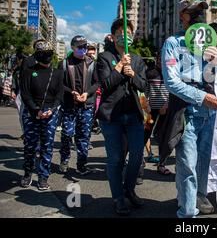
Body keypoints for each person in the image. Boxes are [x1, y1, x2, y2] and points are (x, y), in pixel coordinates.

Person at [161, 0, 217, 218]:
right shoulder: (172, 43)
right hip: (186, 110)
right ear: (182, 16)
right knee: (187, 163)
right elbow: (172, 82)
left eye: (201, 11)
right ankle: (187, 213)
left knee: (203, 161)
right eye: (192, 11)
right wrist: (201, 96)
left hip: (209, 112)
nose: (198, 15)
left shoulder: (210, 44)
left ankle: (199, 196)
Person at [96, 18, 147, 216]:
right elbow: (105, 85)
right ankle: (118, 197)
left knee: (137, 155)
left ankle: (129, 189)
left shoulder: (137, 59)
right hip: (112, 117)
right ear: (113, 35)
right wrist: (119, 68)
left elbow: (144, 86)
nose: (125, 35)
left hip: (133, 114)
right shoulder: (104, 57)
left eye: (129, 32)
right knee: (116, 158)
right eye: (120, 31)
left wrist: (132, 74)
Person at [19, 40, 63, 190]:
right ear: (37, 55)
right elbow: (25, 94)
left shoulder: (57, 73)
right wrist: (35, 109)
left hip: (50, 113)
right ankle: (27, 173)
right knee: (30, 145)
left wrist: (52, 109)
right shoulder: (28, 71)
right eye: (43, 54)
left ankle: (43, 176)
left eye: (49, 53)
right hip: (32, 113)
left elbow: (59, 94)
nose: (47, 57)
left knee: (47, 146)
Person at [59, 35, 98, 175]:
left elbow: (97, 83)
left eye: (85, 46)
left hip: (86, 106)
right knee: (67, 134)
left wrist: (87, 93)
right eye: (80, 47)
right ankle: (64, 160)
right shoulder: (64, 63)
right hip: (69, 106)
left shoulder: (92, 63)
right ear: (73, 47)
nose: (83, 49)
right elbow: (59, 84)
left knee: (84, 136)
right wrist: (71, 92)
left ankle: (82, 164)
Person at [145, 53, 170, 175]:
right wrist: (146, 106)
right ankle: (139, 163)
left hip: (166, 109)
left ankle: (161, 164)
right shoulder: (150, 73)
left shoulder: (171, 72)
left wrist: (167, 104)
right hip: (150, 111)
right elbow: (143, 92)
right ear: (156, 59)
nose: (161, 62)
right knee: (145, 134)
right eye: (159, 59)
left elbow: (174, 90)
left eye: (164, 59)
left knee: (163, 137)